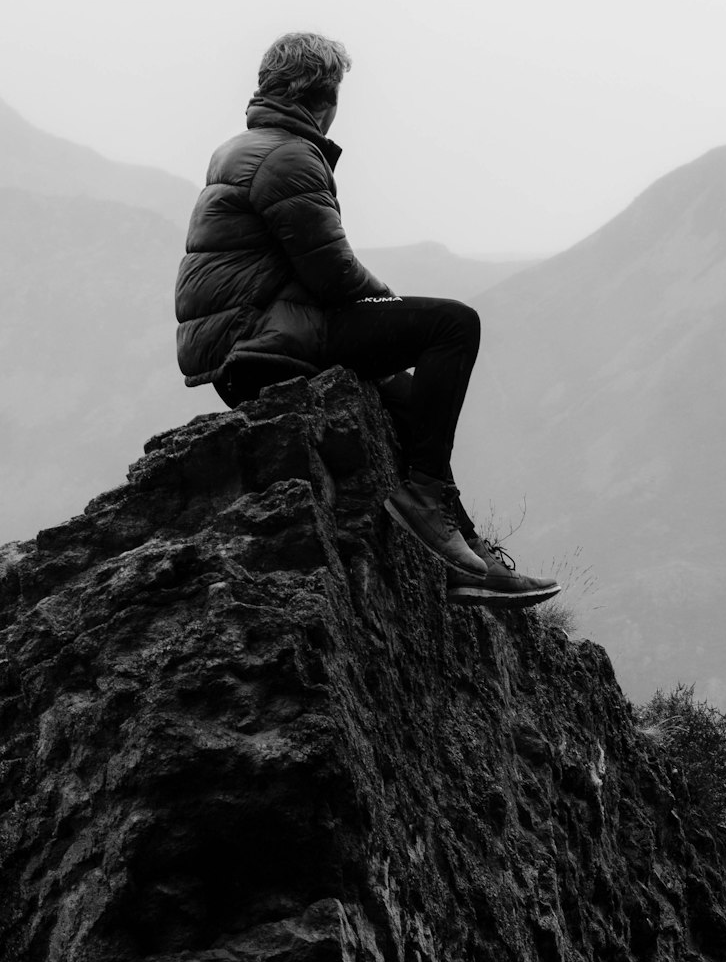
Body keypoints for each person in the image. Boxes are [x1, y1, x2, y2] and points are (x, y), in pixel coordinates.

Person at [175, 31, 559, 608]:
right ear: (323, 97)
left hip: (251, 341)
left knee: (406, 401)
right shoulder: (287, 156)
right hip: (263, 342)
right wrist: (388, 299)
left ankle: (463, 557)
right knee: (452, 325)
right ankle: (424, 503)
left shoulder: (245, 148)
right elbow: (332, 274)